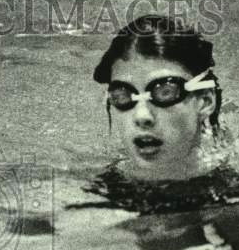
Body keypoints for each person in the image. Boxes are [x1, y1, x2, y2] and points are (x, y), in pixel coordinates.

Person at [94, 14, 223, 182]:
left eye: (165, 93)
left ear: (205, 102)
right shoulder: (93, 186)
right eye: (122, 96)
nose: (142, 116)